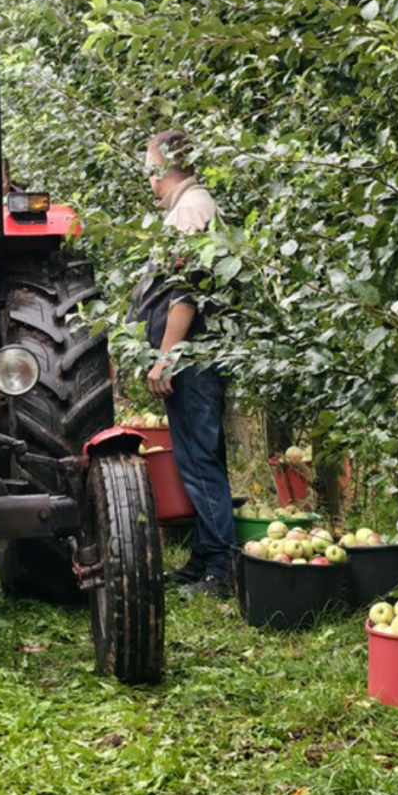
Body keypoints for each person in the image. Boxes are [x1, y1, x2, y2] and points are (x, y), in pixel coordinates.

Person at [128, 129, 233, 597]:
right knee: (195, 457)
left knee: (201, 459)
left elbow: (186, 293)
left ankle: (222, 567)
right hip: (194, 359)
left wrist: (167, 356)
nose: (148, 175)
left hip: (194, 360)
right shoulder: (188, 206)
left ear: (164, 165)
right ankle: (206, 554)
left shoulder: (191, 209)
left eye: (150, 166)